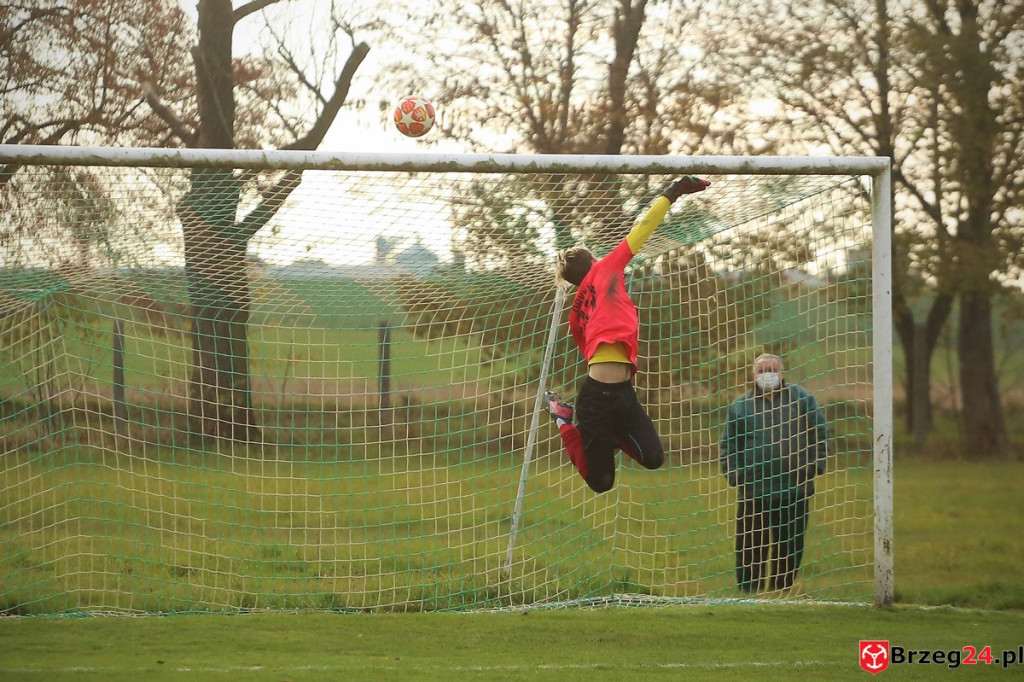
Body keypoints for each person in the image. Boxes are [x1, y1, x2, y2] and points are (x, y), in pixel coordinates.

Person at [545, 176, 711, 493]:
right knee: (600, 483)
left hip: (622, 394)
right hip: (595, 400)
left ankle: (614, 431)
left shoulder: (579, 310)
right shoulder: (604, 270)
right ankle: (564, 420)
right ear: (593, 260)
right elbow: (644, 227)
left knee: (653, 459)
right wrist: (672, 192)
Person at [719, 353, 829, 593]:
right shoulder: (740, 406)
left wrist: (813, 467)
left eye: (771, 370)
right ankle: (749, 592)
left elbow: (819, 433)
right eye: (761, 371)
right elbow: (729, 445)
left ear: (782, 374)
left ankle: (780, 590)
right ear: (753, 375)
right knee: (750, 546)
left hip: (793, 488)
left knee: (789, 544)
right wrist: (735, 475)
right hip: (753, 491)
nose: (766, 375)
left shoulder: (803, 399)